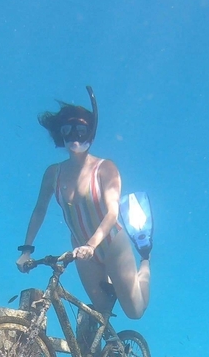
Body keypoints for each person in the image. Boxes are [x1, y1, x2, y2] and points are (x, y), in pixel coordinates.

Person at [16, 87, 151, 320]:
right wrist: (26, 250)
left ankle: (146, 258)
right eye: (68, 130)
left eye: (81, 130)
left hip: (111, 245)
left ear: (90, 132)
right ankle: (97, 352)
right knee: (100, 309)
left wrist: (92, 244)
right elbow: (39, 210)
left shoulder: (105, 168)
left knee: (134, 312)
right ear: (61, 133)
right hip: (80, 248)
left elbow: (112, 212)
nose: (75, 136)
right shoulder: (53, 173)